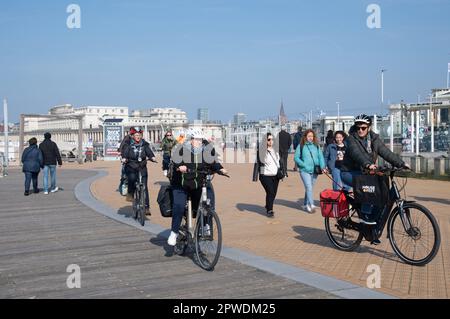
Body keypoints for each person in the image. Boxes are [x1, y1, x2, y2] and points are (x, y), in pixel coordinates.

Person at [340, 114, 409, 228]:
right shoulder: (351, 139)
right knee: (369, 186)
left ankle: (373, 220)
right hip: (349, 172)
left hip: (365, 172)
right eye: (358, 128)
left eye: (363, 128)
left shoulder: (374, 139)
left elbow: (386, 152)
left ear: (369, 127)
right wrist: (367, 164)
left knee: (382, 188)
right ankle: (366, 217)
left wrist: (401, 163)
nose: (360, 130)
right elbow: (357, 154)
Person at [167, 129, 227, 246]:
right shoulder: (183, 149)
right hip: (181, 184)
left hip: (198, 183)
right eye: (195, 139)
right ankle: (174, 232)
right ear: (191, 140)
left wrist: (220, 168)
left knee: (208, 200)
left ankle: (206, 225)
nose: (198, 142)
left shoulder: (207, 149)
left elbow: (213, 162)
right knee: (179, 206)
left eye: (200, 140)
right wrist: (180, 166)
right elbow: (175, 160)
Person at [121, 127, 156, 216]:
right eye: (136, 135)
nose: (138, 137)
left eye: (139, 135)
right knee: (132, 178)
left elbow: (149, 152)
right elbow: (125, 152)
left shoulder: (144, 144)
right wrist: (124, 158)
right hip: (131, 166)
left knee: (144, 186)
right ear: (132, 136)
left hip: (142, 166)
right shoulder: (128, 144)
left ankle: (147, 207)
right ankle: (131, 193)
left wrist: (152, 157)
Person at [294, 129, 327, 213]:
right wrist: (303, 164)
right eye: (309, 136)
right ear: (305, 137)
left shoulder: (316, 146)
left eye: (312, 136)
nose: (310, 138)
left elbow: (320, 157)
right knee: (309, 187)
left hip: (315, 170)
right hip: (304, 170)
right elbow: (296, 158)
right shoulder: (301, 145)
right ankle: (311, 204)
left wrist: (323, 167)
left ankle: (305, 204)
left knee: (309, 188)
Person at [257, 133, 282, 218]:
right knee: (270, 192)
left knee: (273, 193)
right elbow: (258, 164)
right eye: (269, 140)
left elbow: (280, 162)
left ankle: (268, 205)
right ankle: (270, 210)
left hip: (276, 176)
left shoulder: (276, 150)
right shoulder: (261, 151)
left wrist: (282, 172)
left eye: (272, 139)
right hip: (265, 176)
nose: (271, 141)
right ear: (265, 141)